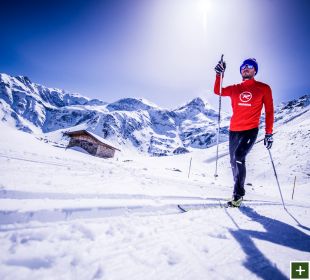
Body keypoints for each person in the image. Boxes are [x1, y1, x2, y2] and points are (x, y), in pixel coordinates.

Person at [213, 58, 274, 207]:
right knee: (233, 162)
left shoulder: (264, 88)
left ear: (255, 71)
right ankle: (237, 188)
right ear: (241, 70)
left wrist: (269, 132)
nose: (246, 68)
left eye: (250, 66)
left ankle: (238, 195)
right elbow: (218, 91)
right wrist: (218, 75)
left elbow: (270, 111)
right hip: (234, 130)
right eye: (243, 67)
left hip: (250, 130)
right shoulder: (235, 88)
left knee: (240, 156)